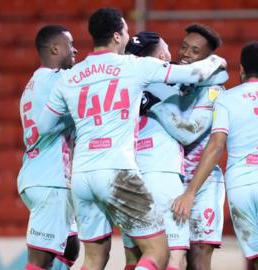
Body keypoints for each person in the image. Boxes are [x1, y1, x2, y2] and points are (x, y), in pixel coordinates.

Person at [36, 8, 226, 270]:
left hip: (81, 176)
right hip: (117, 172)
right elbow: (193, 74)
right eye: (125, 31)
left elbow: (44, 126)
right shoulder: (135, 66)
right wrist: (217, 62)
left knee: (94, 258)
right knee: (158, 251)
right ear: (117, 36)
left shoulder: (70, 77)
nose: (128, 36)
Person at [172, 41, 258, 270]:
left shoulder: (226, 100)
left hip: (239, 188)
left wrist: (191, 192)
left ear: (241, 69)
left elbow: (216, 147)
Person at [147, 23, 227, 270]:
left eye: (195, 51)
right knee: (165, 256)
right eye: (183, 47)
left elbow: (189, 132)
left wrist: (155, 106)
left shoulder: (214, 91)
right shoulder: (177, 83)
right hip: (172, 181)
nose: (185, 54)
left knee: (198, 256)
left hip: (201, 185)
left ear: (207, 59)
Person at [123, 31, 190, 270]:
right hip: (163, 174)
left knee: (134, 258)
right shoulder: (171, 84)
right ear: (161, 55)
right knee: (175, 257)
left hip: (130, 180)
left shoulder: (122, 88)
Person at [17, 25, 79, 270]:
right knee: (40, 260)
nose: (75, 49)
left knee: (70, 247)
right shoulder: (58, 80)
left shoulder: (33, 84)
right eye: (70, 43)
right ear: (55, 48)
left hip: (39, 173)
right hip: (49, 179)